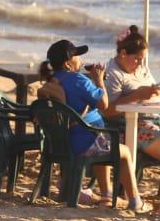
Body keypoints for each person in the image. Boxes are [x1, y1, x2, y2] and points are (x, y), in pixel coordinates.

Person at [36, 39, 142, 209]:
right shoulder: (78, 80)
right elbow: (104, 104)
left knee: (103, 139)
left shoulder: (52, 80)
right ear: (68, 62)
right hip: (83, 143)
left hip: (59, 144)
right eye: (77, 56)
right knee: (125, 151)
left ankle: (107, 193)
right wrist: (99, 80)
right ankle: (135, 201)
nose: (81, 60)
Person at [102, 26, 160, 193]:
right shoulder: (113, 73)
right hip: (131, 124)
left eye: (143, 59)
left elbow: (148, 90)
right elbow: (108, 110)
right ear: (123, 53)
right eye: (138, 59)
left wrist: (155, 92)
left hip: (156, 118)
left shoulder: (141, 68)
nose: (140, 64)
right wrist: (137, 95)